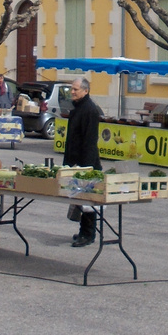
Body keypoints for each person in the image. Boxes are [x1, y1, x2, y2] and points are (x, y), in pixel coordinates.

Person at [63, 77, 103, 247]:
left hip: (87, 163)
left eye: (76, 89)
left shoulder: (90, 110)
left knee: (88, 201)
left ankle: (88, 234)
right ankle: (82, 231)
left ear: (85, 91)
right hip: (75, 161)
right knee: (80, 199)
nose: (72, 92)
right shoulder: (77, 108)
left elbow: (89, 141)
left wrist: (85, 168)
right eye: (72, 89)